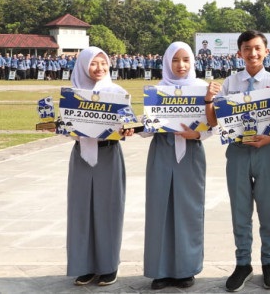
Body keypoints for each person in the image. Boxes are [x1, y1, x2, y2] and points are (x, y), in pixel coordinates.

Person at [205, 30, 270, 292]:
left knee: (268, 209)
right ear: (240, 52)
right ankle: (243, 262)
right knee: (240, 210)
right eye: (247, 48)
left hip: (266, 150)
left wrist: (269, 138)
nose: (252, 53)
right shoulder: (230, 83)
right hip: (237, 150)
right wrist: (210, 99)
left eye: (257, 48)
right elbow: (213, 122)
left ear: (267, 51)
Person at [142, 42, 213, 290]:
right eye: (175, 60)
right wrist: (143, 125)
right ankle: (160, 270)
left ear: (192, 62)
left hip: (191, 154)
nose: (181, 65)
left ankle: (186, 269)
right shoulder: (158, 90)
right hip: (162, 151)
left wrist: (199, 135)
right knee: (159, 209)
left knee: (189, 210)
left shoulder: (202, 89)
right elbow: (147, 127)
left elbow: (211, 125)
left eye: (185, 59)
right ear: (166, 62)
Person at [66, 47, 135, 286]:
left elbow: (128, 122)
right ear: (84, 65)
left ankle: (108, 266)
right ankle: (84, 266)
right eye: (93, 64)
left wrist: (127, 127)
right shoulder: (74, 93)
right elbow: (68, 125)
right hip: (81, 156)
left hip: (109, 155)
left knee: (109, 210)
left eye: (103, 63)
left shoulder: (117, 92)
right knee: (81, 211)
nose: (99, 68)